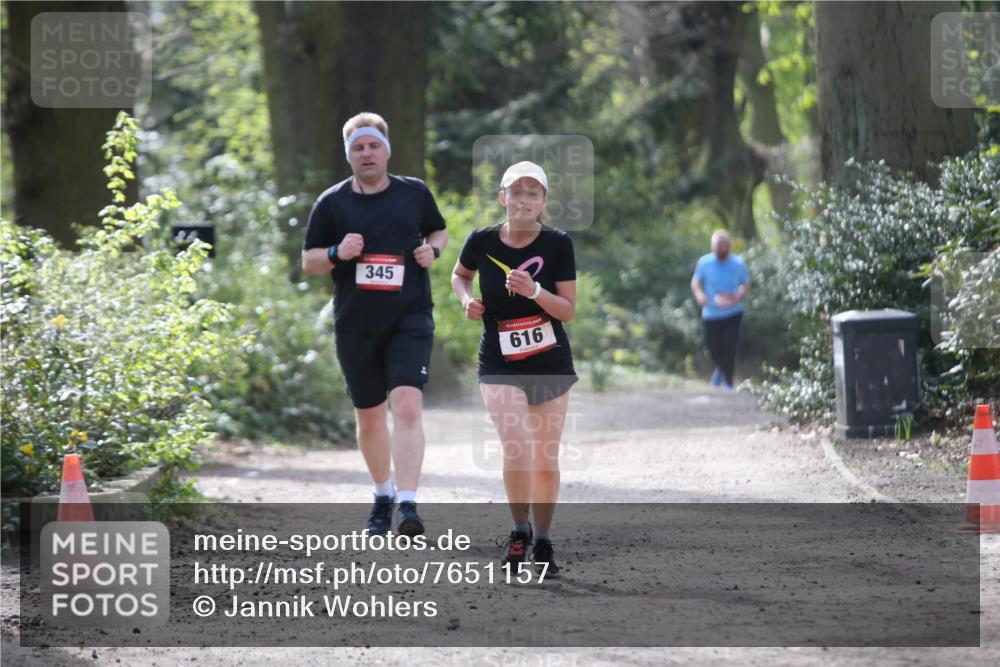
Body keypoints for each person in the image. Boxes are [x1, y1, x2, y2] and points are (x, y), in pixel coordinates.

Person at [302, 112, 448, 537]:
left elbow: (438, 231)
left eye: (373, 146)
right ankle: (383, 494)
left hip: (410, 315)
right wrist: (337, 252)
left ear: (387, 150)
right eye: (358, 148)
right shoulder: (332, 203)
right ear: (348, 155)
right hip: (357, 323)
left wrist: (433, 252)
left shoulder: (413, 193)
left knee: (406, 404)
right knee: (369, 417)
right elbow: (309, 261)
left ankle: (408, 503)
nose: (367, 154)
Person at [451, 161, 577, 576]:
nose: (524, 199)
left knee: (544, 458)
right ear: (502, 197)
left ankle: (543, 539)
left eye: (532, 192)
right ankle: (519, 531)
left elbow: (568, 311)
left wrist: (535, 290)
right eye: (516, 192)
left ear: (543, 201)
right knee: (517, 445)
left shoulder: (558, 244)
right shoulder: (481, 240)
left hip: (549, 359)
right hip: (499, 359)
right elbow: (459, 275)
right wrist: (466, 300)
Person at [690, 229, 750, 390]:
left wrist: (739, 295)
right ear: (712, 246)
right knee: (713, 348)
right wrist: (700, 295)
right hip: (711, 313)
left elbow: (745, 284)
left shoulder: (738, 263)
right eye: (718, 244)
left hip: (732, 313)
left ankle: (728, 382)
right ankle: (720, 369)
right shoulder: (704, 262)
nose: (721, 247)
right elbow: (696, 282)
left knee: (729, 347)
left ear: (729, 245)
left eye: (724, 244)